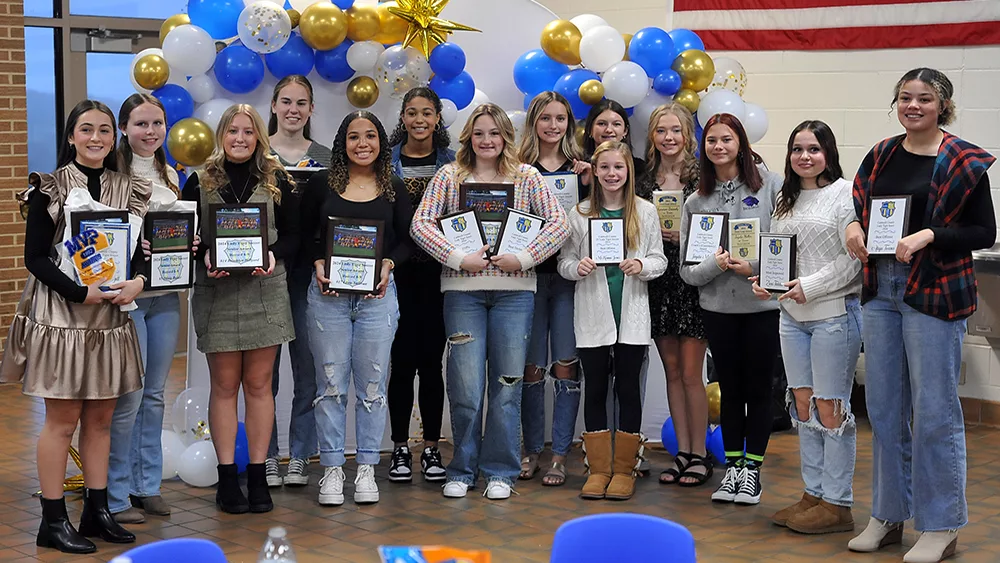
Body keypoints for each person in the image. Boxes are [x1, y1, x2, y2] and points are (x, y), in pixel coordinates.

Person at [843, 68, 995, 563]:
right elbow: (857, 204)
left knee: (934, 412)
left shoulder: (965, 161)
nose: (913, 106)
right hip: (881, 290)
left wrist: (930, 235)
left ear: (942, 106)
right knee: (884, 408)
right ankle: (888, 514)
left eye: (924, 99)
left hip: (935, 291)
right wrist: (851, 228)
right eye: (905, 98)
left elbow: (982, 232)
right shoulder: (882, 152)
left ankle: (941, 524)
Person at [1, 100, 150, 553]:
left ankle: (96, 510)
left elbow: (141, 251)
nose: (96, 138)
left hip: (109, 316)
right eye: (86, 130)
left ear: (114, 137)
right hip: (62, 317)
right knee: (62, 422)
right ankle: (52, 520)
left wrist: (138, 281)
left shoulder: (131, 188)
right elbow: (35, 259)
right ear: (71, 137)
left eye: (105, 130)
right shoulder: (49, 188)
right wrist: (78, 292)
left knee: (101, 419)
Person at [410, 103, 570, 500]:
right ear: (469, 137)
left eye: (495, 133)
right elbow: (420, 224)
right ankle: (461, 470)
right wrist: (458, 258)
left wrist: (526, 257)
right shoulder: (450, 176)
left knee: (507, 385)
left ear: (506, 138)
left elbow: (560, 224)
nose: (487, 141)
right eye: (479, 133)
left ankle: (501, 471)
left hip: (515, 295)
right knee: (465, 388)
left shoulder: (527, 177)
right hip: (463, 294)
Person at [182, 104, 299, 515]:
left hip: (265, 291)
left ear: (258, 137)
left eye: (248, 132)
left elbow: (294, 237)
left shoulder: (277, 178)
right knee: (224, 387)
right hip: (218, 292)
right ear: (221, 135)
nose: (240, 139)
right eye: (232, 131)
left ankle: (258, 474)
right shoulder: (197, 181)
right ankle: (227, 477)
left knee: (260, 386)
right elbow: (186, 242)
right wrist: (204, 259)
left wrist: (270, 253)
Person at [750, 120, 862, 534]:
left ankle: (838, 502)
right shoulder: (786, 198)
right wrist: (768, 281)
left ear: (828, 153)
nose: (804, 156)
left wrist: (808, 287)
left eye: (813, 149)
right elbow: (779, 252)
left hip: (833, 314)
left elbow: (853, 259)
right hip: (792, 318)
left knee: (831, 409)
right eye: (797, 149)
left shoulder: (845, 194)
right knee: (803, 406)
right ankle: (812, 493)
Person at [301, 111, 410, 506]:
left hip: (377, 300)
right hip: (327, 299)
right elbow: (306, 236)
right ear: (341, 142)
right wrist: (317, 262)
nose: (362, 143)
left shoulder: (394, 187)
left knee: (372, 388)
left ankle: (366, 468)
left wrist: (387, 265)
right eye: (353, 137)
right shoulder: (320, 184)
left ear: (381, 141)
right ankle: (331, 469)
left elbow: (406, 241)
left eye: (370, 136)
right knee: (330, 386)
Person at [678, 113, 783, 506]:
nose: (719, 147)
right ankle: (732, 469)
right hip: (718, 309)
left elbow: (784, 246)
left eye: (726, 139)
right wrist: (716, 265)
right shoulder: (696, 200)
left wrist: (752, 266)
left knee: (758, 389)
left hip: (761, 307)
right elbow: (689, 274)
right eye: (711, 141)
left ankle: (752, 471)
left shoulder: (771, 186)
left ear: (741, 143)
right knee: (730, 389)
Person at [559, 141, 666, 501]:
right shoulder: (579, 213)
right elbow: (564, 263)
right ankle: (599, 469)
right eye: (604, 167)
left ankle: (624, 470)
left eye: (618, 168)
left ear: (628, 171)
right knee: (597, 389)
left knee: (628, 390)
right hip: (593, 316)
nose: (611, 174)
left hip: (632, 316)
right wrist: (578, 267)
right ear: (595, 171)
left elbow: (659, 260)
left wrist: (642, 265)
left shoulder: (645, 212)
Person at [106, 93, 188, 524]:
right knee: (128, 397)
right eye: (141, 124)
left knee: (154, 395)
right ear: (124, 128)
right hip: (125, 301)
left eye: (158, 123)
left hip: (165, 297)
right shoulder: (109, 175)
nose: (151, 132)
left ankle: (147, 485)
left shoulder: (170, 173)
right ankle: (115, 494)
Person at [516, 91, 588, 487]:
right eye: (545, 118)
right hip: (526, 276)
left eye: (560, 118)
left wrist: (590, 185)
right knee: (530, 369)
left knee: (565, 365)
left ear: (569, 124)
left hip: (568, 279)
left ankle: (560, 454)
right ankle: (530, 449)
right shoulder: (518, 168)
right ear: (534, 122)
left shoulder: (581, 171)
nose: (553, 126)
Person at [636, 103, 710, 487]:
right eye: (661, 130)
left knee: (692, 373)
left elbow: (719, 226)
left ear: (687, 135)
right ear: (652, 136)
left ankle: (700, 454)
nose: (668, 137)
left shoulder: (703, 176)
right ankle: (682, 451)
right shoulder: (643, 179)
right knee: (672, 371)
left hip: (693, 278)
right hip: (658, 279)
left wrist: (689, 238)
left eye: (675, 130)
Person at [264, 74, 331, 488]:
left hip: (312, 276)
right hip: (265, 274)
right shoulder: (258, 153)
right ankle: (267, 455)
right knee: (262, 375)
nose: (293, 109)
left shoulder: (325, 156)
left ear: (311, 110)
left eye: (301, 103)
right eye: (286, 101)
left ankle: (300, 456)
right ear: (273, 106)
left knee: (307, 371)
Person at [386, 87, 455, 484]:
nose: (419, 120)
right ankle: (398, 447)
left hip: (439, 276)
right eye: (411, 113)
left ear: (437, 118)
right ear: (403, 118)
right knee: (400, 365)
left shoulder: (452, 163)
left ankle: (431, 447)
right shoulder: (386, 162)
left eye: (426, 113)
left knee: (431, 365)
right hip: (396, 277)